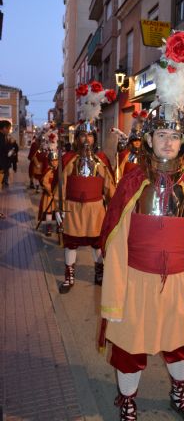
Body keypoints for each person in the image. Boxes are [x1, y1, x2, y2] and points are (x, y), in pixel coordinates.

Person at [100, 31, 184, 421]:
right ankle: (128, 401)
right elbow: (114, 242)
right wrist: (113, 294)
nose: (168, 142)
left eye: (175, 137)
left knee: (179, 344)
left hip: (180, 283)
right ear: (149, 139)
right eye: (162, 135)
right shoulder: (132, 182)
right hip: (134, 280)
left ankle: (178, 394)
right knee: (130, 346)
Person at [56, 115, 116, 293]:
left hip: (95, 209)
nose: (86, 139)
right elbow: (61, 186)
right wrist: (59, 209)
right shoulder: (69, 159)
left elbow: (109, 186)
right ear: (77, 138)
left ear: (94, 138)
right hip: (73, 208)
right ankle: (69, 277)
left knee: (97, 244)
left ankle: (99, 274)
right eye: (83, 135)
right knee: (70, 243)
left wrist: (116, 207)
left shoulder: (101, 160)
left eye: (90, 136)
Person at [38, 151, 58, 237]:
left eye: (56, 160)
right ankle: (48, 228)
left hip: (57, 195)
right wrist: (50, 191)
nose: (54, 162)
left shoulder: (59, 170)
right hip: (49, 195)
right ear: (49, 161)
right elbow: (44, 182)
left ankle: (58, 227)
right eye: (52, 160)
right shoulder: (48, 171)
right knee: (49, 212)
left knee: (58, 212)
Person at [0, 120, 12, 218]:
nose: (9, 130)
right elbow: (4, 152)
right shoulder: (1, 138)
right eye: (8, 128)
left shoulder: (3, 137)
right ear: (4, 128)